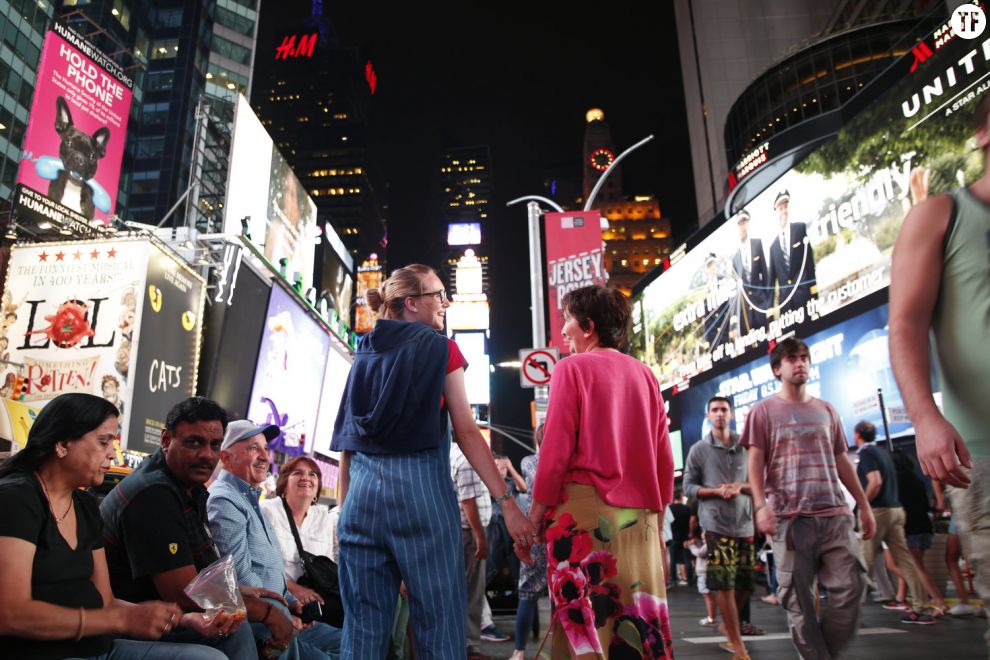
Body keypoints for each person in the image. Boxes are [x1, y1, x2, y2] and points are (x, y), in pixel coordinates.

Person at [331, 264, 535, 659]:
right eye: (437, 295)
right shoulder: (441, 348)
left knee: (362, 630)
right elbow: (467, 431)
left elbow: (347, 445)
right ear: (411, 304)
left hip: (360, 504)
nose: (446, 303)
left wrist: (343, 513)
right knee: (439, 625)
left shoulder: (364, 353)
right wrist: (506, 504)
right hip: (420, 499)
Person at [0, 393, 224, 660]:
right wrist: (118, 621)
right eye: (103, 441)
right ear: (62, 444)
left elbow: (105, 601)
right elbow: (11, 614)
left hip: (98, 648)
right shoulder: (16, 499)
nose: (112, 453)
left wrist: (182, 619)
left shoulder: (84, 504)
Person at [889, 93, 990, 649]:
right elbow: (904, 323)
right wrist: (925, 418)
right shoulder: (941, 214)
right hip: (986, 453)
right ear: (983, 135)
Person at [530, 284, 675, 659]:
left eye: (568, 321)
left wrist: (536, 512)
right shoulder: (646, 375)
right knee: (638, 627)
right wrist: (658, 527)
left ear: (589, 326)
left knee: (584, 630)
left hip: (582, 519)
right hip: (640, 521)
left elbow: (556, 451)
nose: (563, 331)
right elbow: (663, 459)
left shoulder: (571, 369)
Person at [100, 397, 267, 658]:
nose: (207, 455)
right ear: (166, 440)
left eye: (214, 445)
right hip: (132, 624)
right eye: (194, 442)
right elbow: (186, 593)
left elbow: (204, 573)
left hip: (164, 615)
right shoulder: (153, 493)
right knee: (243, 627)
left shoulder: (189, 488)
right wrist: (267, 613)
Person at [745, 337, 876, 660]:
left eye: (804, 357)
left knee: (853, 586)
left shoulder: (826, 409)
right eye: (791, 358)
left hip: (834, 513)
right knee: (799, 603)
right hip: (789, 519)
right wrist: (760, 506)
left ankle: (822, 655)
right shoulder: (762, 411)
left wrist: (865, 506)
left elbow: (842, 460)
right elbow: (755, 463)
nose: (800, 362)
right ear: (777, 369)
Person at [208, 419, 342, 659]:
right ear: (226, 458)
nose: (263, 455)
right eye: (252, 448)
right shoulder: (225, 500)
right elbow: (240, 577)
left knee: (354, 645)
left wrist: (294, 603)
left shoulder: (251, 500)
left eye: (265, 448)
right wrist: (283, 612)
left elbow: (272, 572)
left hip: (283, 612)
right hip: (262, 623)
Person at [683, 396, 757, 657]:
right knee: (724, 583)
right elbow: (688, 487)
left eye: (724, 410)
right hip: (715, 524)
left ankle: (730, 625)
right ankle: (738, 644)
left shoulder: (747, 447)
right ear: (707, 416)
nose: (719, 414)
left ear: (732, 414)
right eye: (714, 410)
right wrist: (714, 491)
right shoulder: (699, 450)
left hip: (746, 524)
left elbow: (762, 481)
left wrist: (740, 487)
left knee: (745, 583)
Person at [852, 420, 933, 624]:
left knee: (865, 561)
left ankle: (851, 614)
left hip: (877, 511)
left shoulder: (867, 453)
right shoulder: (883, 454)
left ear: (857, 435)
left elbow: (875, 481)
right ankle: (921, 607)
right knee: (905, 560)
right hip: (896, 510)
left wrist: (862, 505)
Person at [260, 456, 344, 627]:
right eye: (298, 473)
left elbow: (330, 564)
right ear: (284, 484)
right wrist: (294, 589)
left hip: (316, 604)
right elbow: (260, 565)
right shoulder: (267, 511)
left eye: (313, 474)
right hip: (276, 598)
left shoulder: (325, 519)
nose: (306, 477)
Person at [891, 451, 949, 615]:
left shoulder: (896, 481)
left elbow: (898, 507)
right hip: (924, 528)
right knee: (915, 566)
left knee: (916, 568)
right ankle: (913, 598)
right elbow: (924, 504)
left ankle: (939, 603)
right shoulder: (916, 479)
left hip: (910, 530)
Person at [450, 437, 493, 659]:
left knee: (467, 590)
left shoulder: (455, 454)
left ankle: (467, 646)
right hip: (470, 534)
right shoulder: (465, 458)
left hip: (466, 533)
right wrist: (480, 537)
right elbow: (468, 501)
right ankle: (469, 648)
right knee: (472, 592)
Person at [510, 425, 549, 660]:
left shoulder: (527, 462)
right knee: (562, 592)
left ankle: (519, 651)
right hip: (558, 530)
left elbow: (526, 489)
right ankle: (565, 644)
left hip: (533, 531)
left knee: (527, 592)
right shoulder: (567, 463)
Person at [767, 190, 817, 314]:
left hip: (805, 298)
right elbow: (772, 281)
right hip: (787, 306)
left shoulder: (800, 229)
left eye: (786, 207)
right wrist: (770, 311)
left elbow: (809, 265)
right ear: (776, 211)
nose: (784, 211)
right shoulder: (773, 247)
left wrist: (814, 294)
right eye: (780, 208)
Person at [730, 210, 769, 332]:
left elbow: (766, 275)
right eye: (739, 224)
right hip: (747, 313)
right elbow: (736, 289)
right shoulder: (735, 258)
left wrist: (767, 303)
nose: (742, 227)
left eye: (744, 223)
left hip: (761, 306)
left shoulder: (757, 244)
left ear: (747, 224)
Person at [687, 529, 718, 627]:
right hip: (706, 573)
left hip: (704, 573)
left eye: (705, 538)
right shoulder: (711, 545)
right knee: (708, 595)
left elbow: (700, 553)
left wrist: (691, 546)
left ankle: (711, 617)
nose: (704, 541)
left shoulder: (708, 546)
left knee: (707, 595)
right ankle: (712, 616)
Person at [668, 488, 693, 586]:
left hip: (673, 537)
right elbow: (691, 522)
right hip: (685, 537)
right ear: (681, 497)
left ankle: (673, 580)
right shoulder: (687, 509)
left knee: (673, 560)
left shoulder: (670, 508)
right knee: (687, 559)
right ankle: (690, 579)